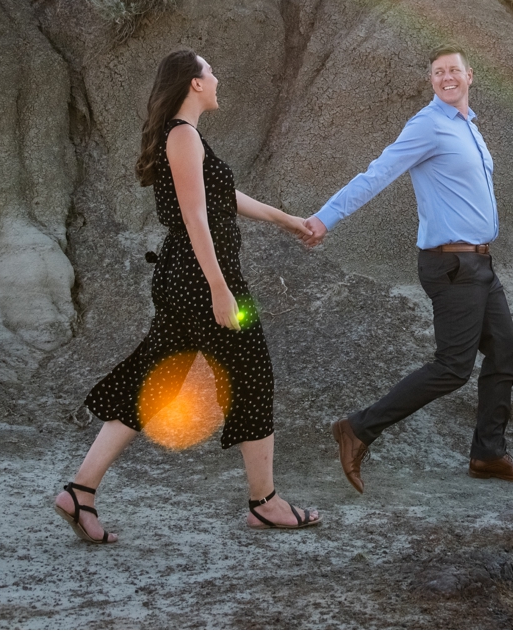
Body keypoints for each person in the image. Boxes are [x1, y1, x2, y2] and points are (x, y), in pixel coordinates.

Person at [54, 48, 326, 541]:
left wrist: (287, 220)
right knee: (253, 374)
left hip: (185, 280)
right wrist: (222, 291)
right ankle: (265, 503)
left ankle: (80, 492)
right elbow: (194, 217)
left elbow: (222, 199)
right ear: (195, 84)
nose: (218, 78)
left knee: (152, 382)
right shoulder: (182, 136)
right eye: (211, 71)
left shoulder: (188, 138)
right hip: (202, 281)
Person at [306, 48, 513, 491]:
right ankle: (358, 428)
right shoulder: (428, 126)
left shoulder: (469, 127)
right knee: (453, 367)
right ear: (431, 80)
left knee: (504, 349)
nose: (446, 77)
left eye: (454, 70)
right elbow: (377, 174)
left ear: (470, 75)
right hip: (451, 265)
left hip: (479, 262)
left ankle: (488, 454)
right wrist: (325, 218)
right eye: (438, 72)